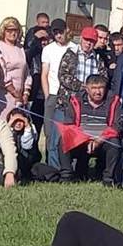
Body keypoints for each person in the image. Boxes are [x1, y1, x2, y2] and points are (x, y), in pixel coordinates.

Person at [59, 74, 123, 186]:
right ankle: (66, 175)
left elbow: (117, 125)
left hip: (103, 139)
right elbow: (69, 124)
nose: (98, 92)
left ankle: (108, 178)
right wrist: (85, 139)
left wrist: (99, 140)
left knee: (115, 143)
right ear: (86, 88)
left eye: (101, 88)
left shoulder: (114, 101)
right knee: (63, 139)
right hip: (81, 139)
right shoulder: (75, 101)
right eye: (94, 88)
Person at [40, 18, 77, 168]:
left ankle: (68, 166)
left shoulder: (75, 48)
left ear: (66, 30)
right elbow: (44, 74)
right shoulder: (48, 49)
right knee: (50, 132)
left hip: (69, 96)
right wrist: (47, 95)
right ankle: (51, 166)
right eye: (55, 33)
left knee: (67, 133)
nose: (58, 35)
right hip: (53, 94)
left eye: (61, 32)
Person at [57, 26, 106, 112]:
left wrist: (92, 90)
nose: (88, 43)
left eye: (91, 41)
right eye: (86, 40)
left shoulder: (98, 59)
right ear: (81, 39)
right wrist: (82, 86)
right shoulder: (70, 54)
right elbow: (63, 76)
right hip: (68, 103)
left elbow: (104, 79)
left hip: (89, 104)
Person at [6, 108, 59, 184]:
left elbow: (27, 146)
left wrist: (27, 126)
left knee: (51, 173)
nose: (18, 123)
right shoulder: (6, 131)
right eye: (15, 121)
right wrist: (9, 124)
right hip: (14, 166)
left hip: (31, 166)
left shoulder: (30, 130)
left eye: (20, 121)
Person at [0, 17, 32, 119]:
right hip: (4, 95)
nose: (12, 33)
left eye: (15, 30)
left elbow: (26, 72)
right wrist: (15, 93)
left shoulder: (20, 48)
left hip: (21, 96)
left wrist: (25, 93)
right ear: (3, 31)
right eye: (9, 30)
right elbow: (2, 73)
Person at [24, 26, 50, 140]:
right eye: (41, 39)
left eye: (45, 38)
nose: (43, 41)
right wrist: (35, 40)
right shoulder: (30, 53)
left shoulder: (50, 52)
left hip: (45, 96)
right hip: (33, 97)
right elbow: (27, 55)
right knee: (32, 128)